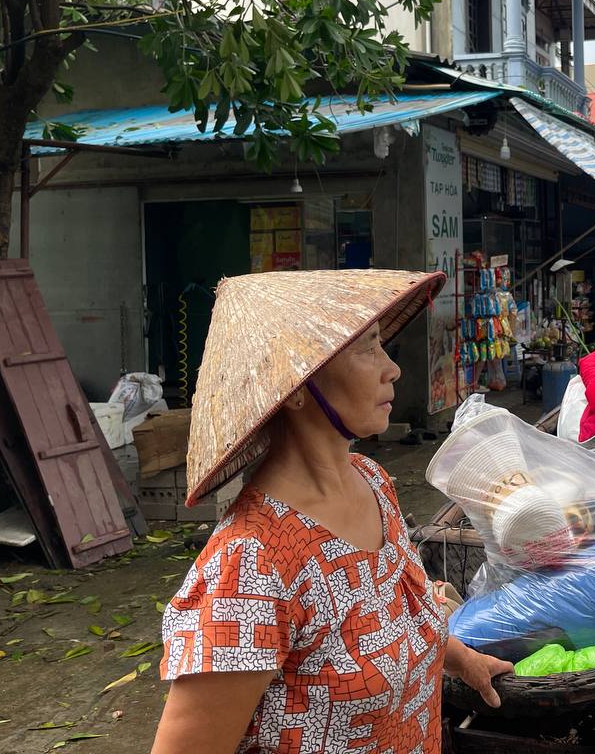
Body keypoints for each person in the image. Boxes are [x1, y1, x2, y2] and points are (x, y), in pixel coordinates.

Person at [153, 269, 513, 754]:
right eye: (367, 348)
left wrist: (461, 660)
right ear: (297, 385)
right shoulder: (252, 568)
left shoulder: (372, 481)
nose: (393, 369)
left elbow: (399, 609)